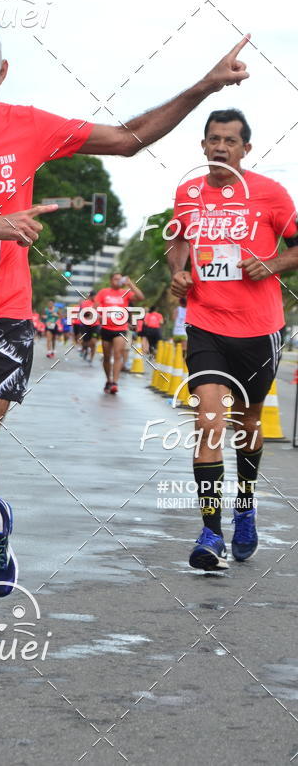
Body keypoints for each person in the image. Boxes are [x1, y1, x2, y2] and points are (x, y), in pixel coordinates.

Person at [0, 25, 251, 649]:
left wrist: (205, 86)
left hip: (1, 313)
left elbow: (128, 139)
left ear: (2, 73)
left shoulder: (29, 126)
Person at [168, 108, 298, 571]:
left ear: (246, 148)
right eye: (213, 139)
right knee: (209, 421)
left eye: (229, 140)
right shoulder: (187, 194)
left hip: (259, 329)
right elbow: (178, 240)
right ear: (203, 145)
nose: (220, 147)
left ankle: (245, 506)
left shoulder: (270, 193)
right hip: (206, 323)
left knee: (247, 423)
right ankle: (210, 532)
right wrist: (179, 271)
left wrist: (273, 264)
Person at [94, 273, 145, 393]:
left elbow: (141, 297)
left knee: (118, 355)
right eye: (115, 279)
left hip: (120, 328)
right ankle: (108, 380)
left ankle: (115, 383)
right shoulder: (103, 292)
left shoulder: (125, 292)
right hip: (106, 328)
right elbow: (95, 307)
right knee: (107, 357)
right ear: (111, 280)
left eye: (119, 279)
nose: (118, 281)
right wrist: (97, 315)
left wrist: (130, 284)